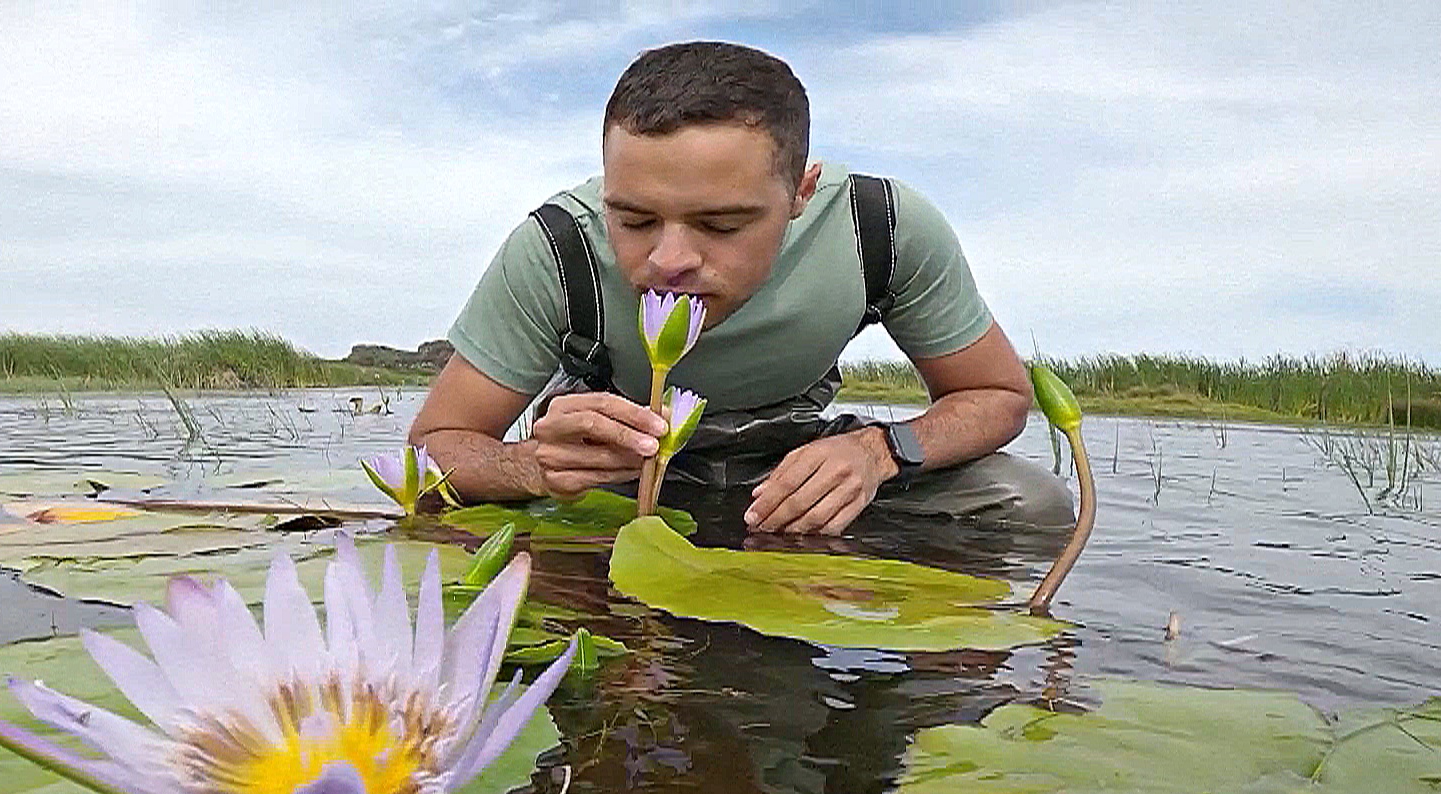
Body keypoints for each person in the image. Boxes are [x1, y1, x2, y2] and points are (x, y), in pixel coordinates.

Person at [407, 40, 1073, 534]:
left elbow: (997, 395)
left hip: (790, 457)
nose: (669, 260)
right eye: (634, 219)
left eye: (722, 223)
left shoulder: (883, 229)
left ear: (800, 194)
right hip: (615, 479)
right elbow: (432, 445)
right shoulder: (556, 248)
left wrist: (877, 453)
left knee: (1031, 505)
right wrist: (529, 467)